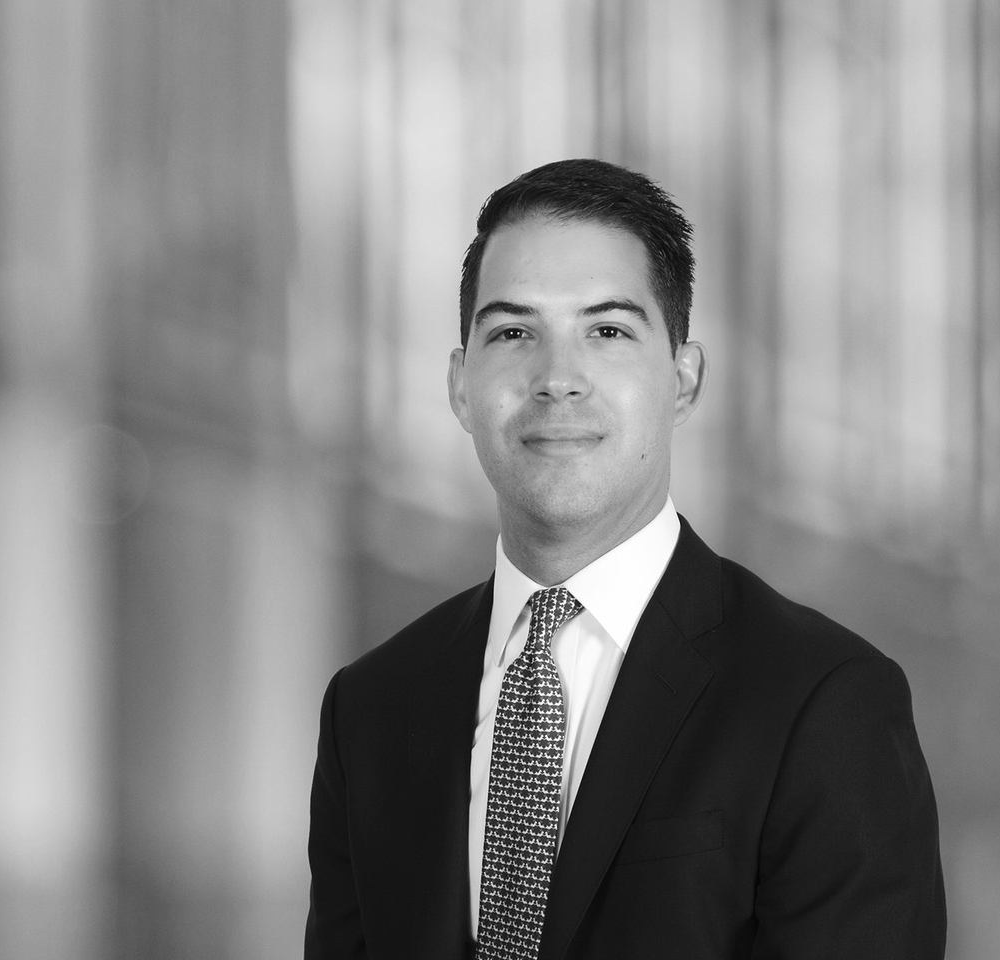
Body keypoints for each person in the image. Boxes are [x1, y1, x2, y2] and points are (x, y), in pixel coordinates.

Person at [305, 159, 945, 960]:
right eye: (513, 333)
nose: (557, 380)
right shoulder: (370, 710)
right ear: (461, 386)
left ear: (684, 379)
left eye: (607, 331)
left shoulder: (822, 702)